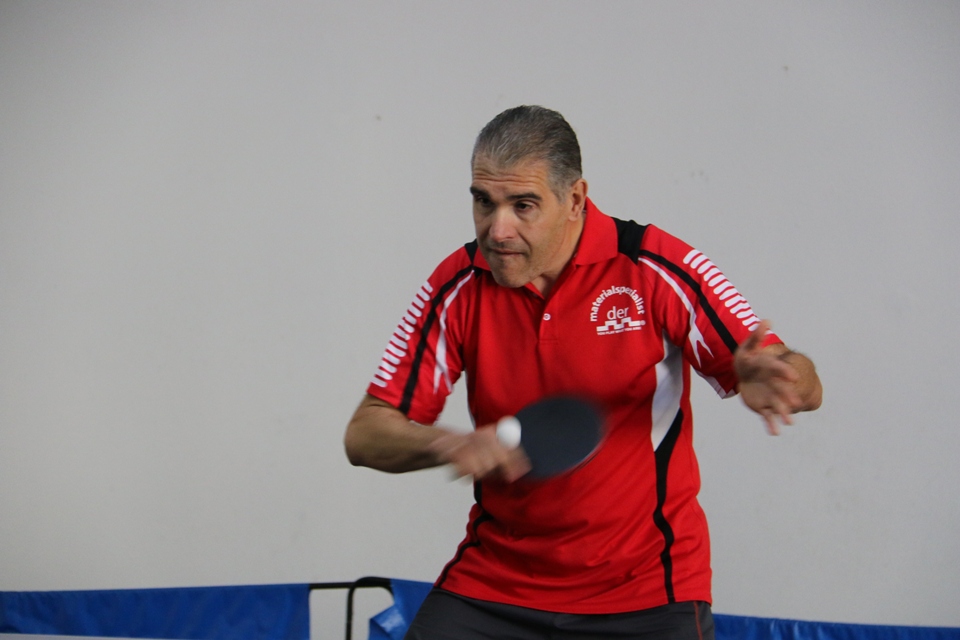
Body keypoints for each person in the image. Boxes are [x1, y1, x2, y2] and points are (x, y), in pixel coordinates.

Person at [344, 106, 822, 639]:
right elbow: (365, 433)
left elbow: (804, 383)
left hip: (646, 592)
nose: (497, 229)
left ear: (574, 199)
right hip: (496, 585)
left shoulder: (655, 267)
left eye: (523, 205)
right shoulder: (458, 285)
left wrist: (779, 375)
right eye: (484, 202)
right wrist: (447, 444)